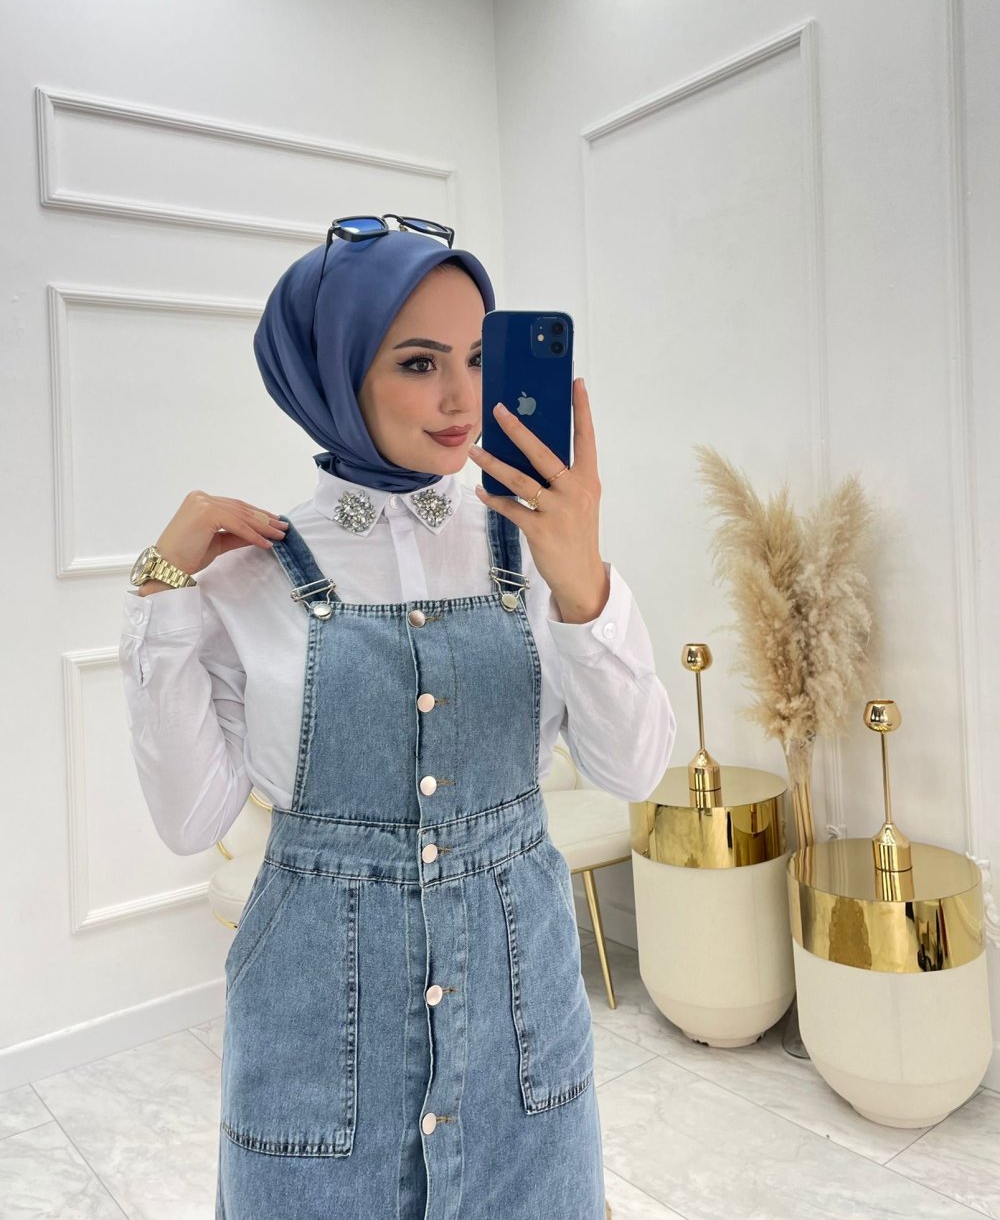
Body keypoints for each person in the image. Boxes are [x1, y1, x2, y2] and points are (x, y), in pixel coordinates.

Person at [118, 215, 677, 1220]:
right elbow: (192, 822)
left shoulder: (537, 548)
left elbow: (633, 771)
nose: (462, 398)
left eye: (476, 357)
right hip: (315, 1055)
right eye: (420, 362)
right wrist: (161, 592)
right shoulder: (248, 576)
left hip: (520, 1042)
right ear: (332, 373)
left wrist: (584, 578)